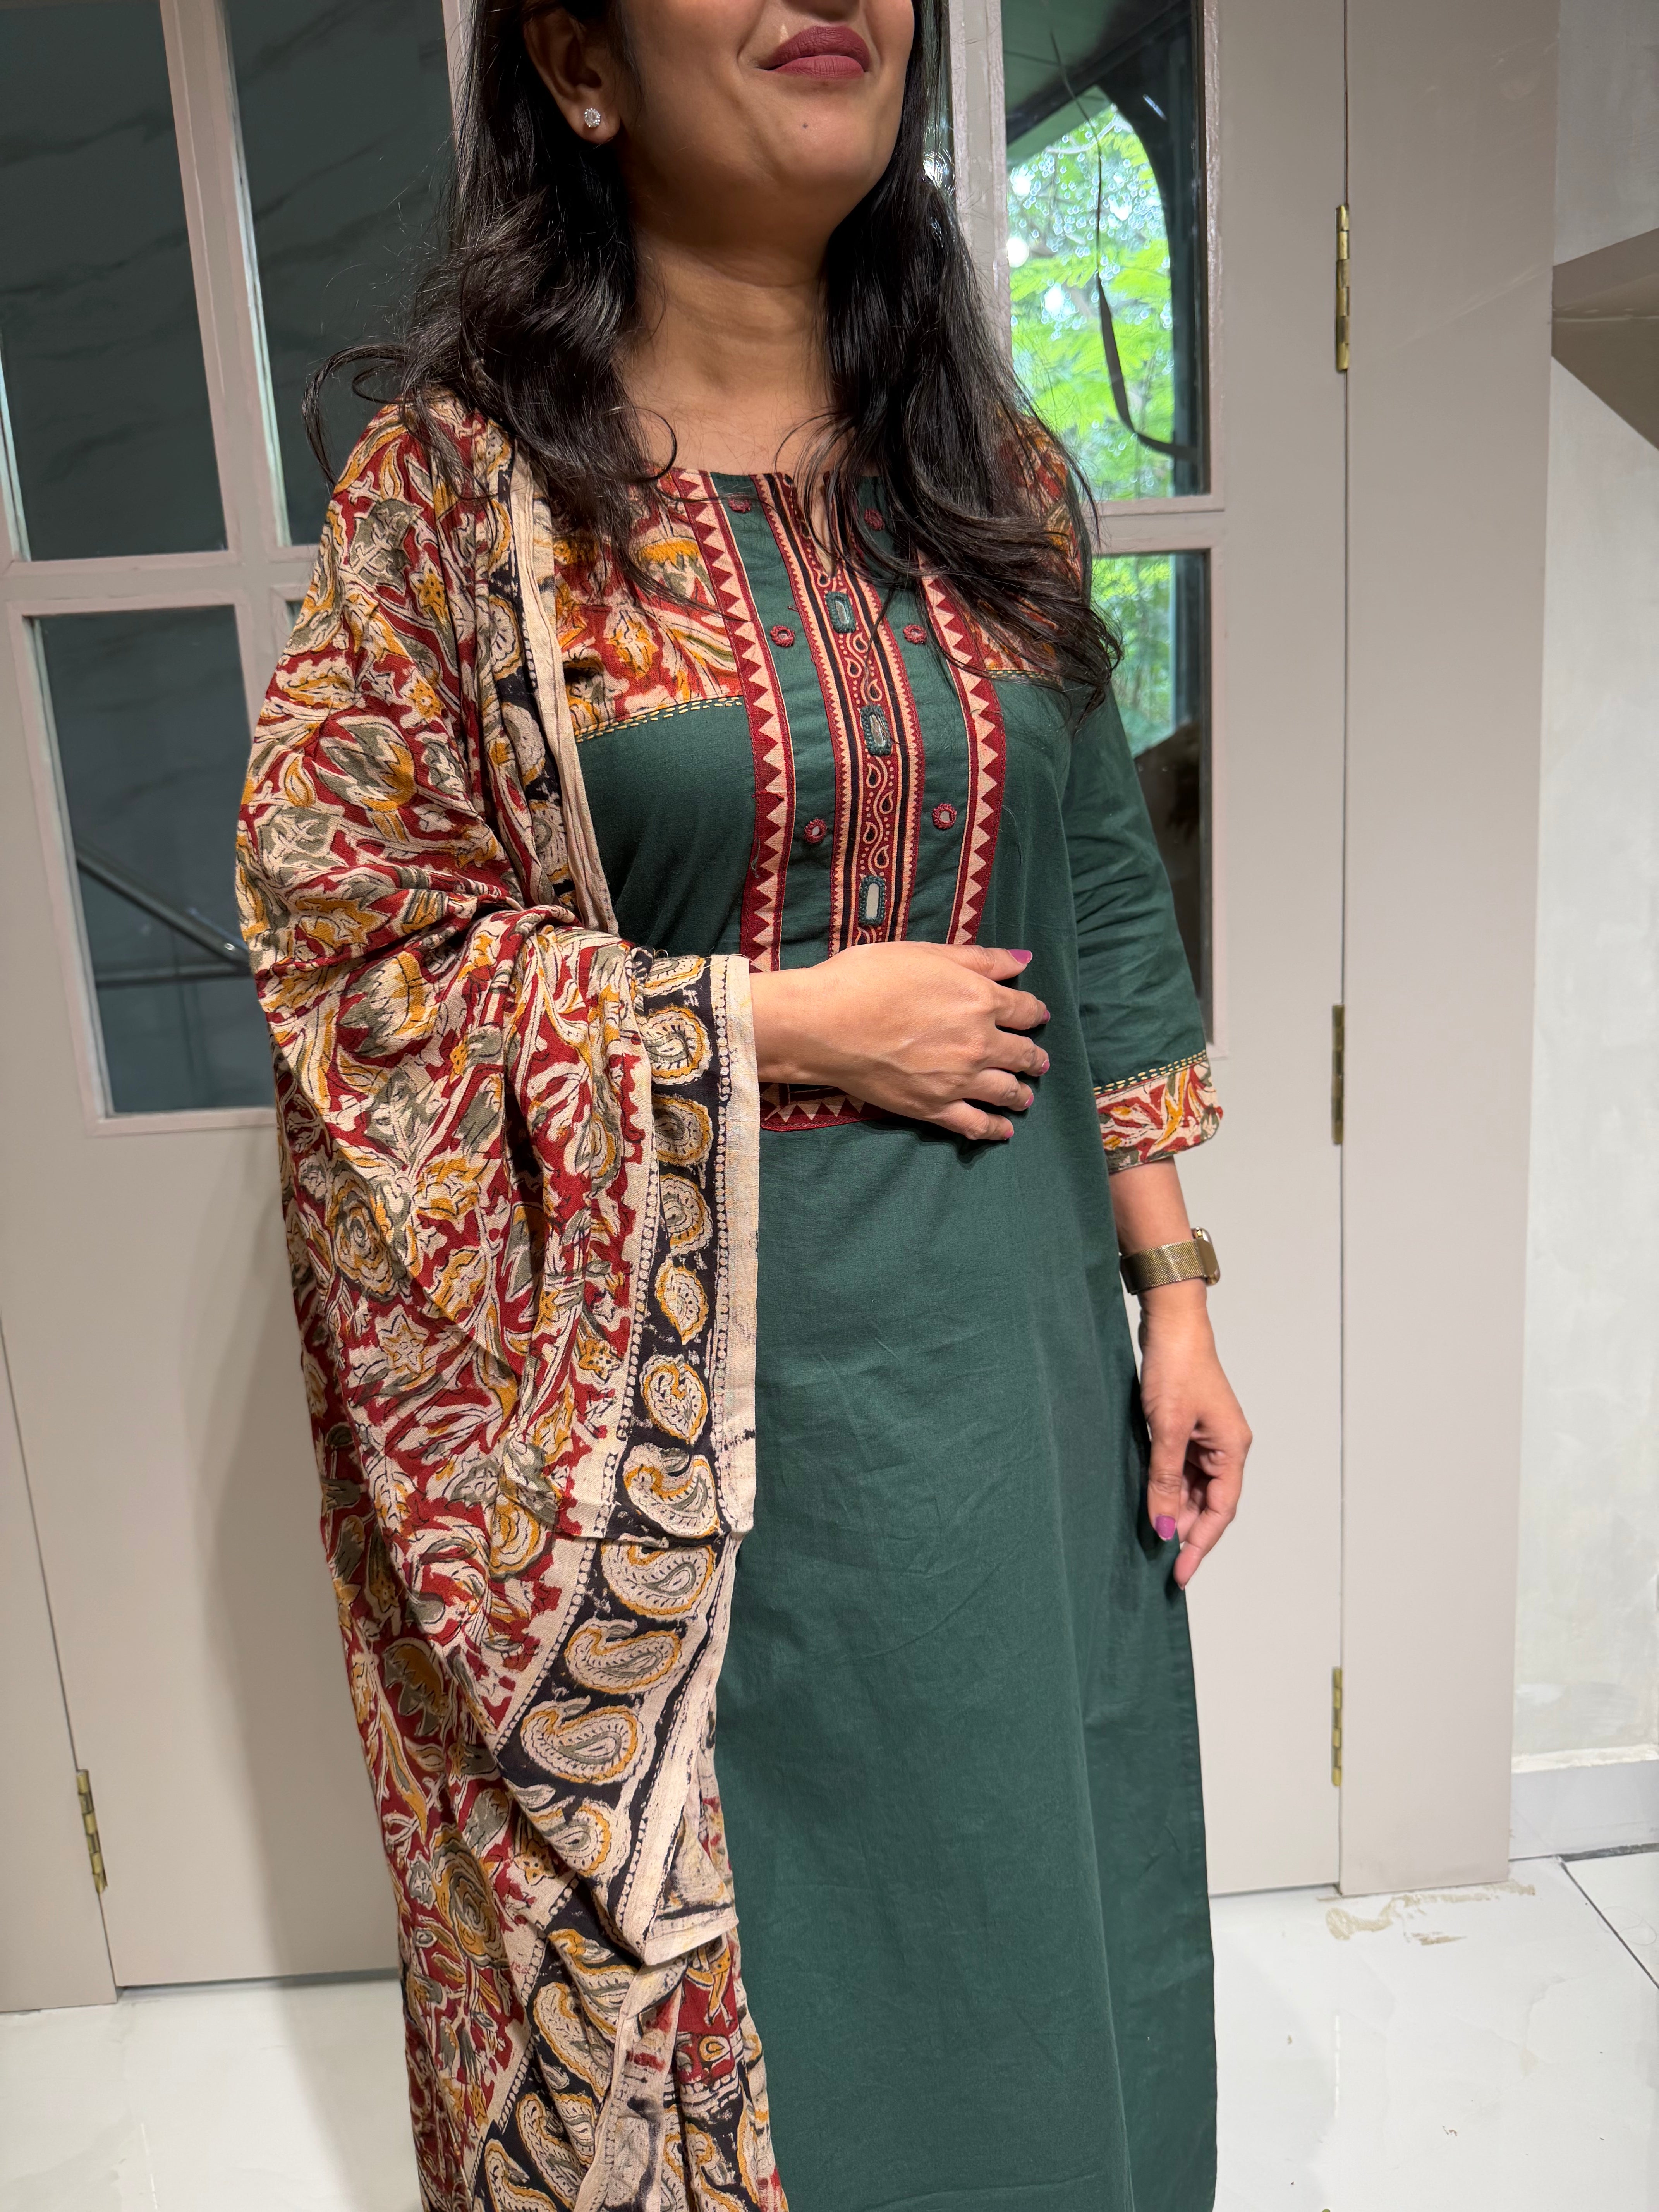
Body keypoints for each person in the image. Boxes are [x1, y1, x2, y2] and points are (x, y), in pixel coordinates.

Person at [235, 5, 1251, 2209]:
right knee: (792, 1978)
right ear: (582, 68)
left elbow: (1098, 883)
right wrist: (767, 1025)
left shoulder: (984, 463)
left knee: (1041, 1929)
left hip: (1011, 1404)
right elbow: (350, 965)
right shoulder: (462, 501)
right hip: (689, 1472)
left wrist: (1171, 1287)